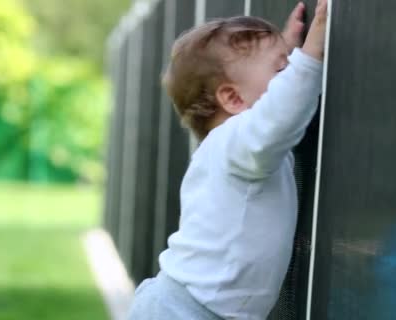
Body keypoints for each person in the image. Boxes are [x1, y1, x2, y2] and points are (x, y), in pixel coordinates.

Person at [127, 1, 327, 319]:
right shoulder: (234, 144)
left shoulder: (230, 146)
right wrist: (309, 57)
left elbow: (272, 105)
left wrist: (284, 52)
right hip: (184, 311)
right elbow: (278, 114)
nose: (289, 72)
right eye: (281, 69)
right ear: (233, 98)